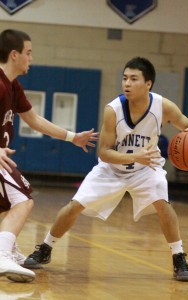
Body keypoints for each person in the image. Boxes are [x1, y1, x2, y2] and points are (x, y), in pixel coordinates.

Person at [24, 57, 188, 282]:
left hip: (146, 169)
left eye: (133, 79)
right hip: (112, 169)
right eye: (124, 78)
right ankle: (45, 248)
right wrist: (135, 155)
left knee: (162, 202)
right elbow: (103, 152)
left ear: (148, 84)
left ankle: (179, 258)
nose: (126, 83)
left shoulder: (163, 106)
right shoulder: (113, 109)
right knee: (75, 206)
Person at [0, 29, 99, 283]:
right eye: (28, 53)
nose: (31, 58)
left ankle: (7, 251)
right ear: (14, 55)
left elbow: (34, 120)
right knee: (23, 200)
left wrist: (71, 137)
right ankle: (2, 255)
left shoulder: (12, 86)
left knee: (7, 207)